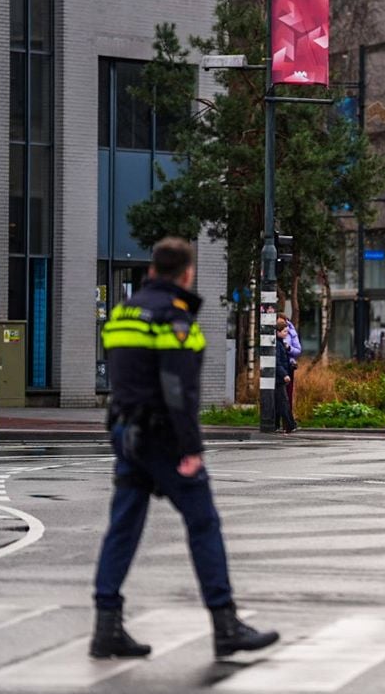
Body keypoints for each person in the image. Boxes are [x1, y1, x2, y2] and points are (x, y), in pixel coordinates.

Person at [91, 237, 279, 661]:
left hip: (125, 432)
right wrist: (191, 448)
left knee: (123, 527)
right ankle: (225, 624)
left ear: (153, 270)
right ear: (187, 273)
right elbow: (178, 388)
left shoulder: (123, 313)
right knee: (203, 524)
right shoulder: (173, 319)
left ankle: (106, 624)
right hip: (163, 437)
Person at [275, 321, 297, 434]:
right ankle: (289, 425)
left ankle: (278, 424)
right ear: (278, 332)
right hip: (280, 378)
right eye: (284, 332)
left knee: (280, 402)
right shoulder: (278, 345)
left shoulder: (280, 343)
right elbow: (278, 362)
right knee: (283, 402)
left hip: (280, 376)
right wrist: (284, 374)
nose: (286, 334)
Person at [276, 313, 300, 410]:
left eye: (283, 322)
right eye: (279, 322)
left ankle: (288, 418)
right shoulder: (275, 333)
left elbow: (298, 350)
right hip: (279, 365)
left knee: (288, 393)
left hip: (288, 364)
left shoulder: (291, 333)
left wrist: (289, 348)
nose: (281, 324)